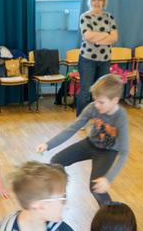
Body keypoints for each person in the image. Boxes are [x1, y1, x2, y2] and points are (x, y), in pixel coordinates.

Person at [37, 74, 129, 206]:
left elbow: (124, 152)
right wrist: (48, 144)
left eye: (101, 102)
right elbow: (72, 128)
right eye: (95, 100)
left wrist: (108, 179)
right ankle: (59, 198)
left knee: (96, 188)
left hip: (108, 152)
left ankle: (110, 211)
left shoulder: (120, 117)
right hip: (90, 144)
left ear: (115, 100)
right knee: (56, 162)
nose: (96, 105)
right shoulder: (92, 107)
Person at [76, 0, 119, 116]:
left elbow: (114, 37)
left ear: (104, 2)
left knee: (102, 93)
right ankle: (81, 120)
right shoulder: (85, 17)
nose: (97, 2)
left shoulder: (109, 17)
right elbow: (88, 36)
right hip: (87, 60)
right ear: (90, 1)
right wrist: (106, 35)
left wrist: (97, 38)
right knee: (85, 92)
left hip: (105, 60)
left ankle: (99, 119)